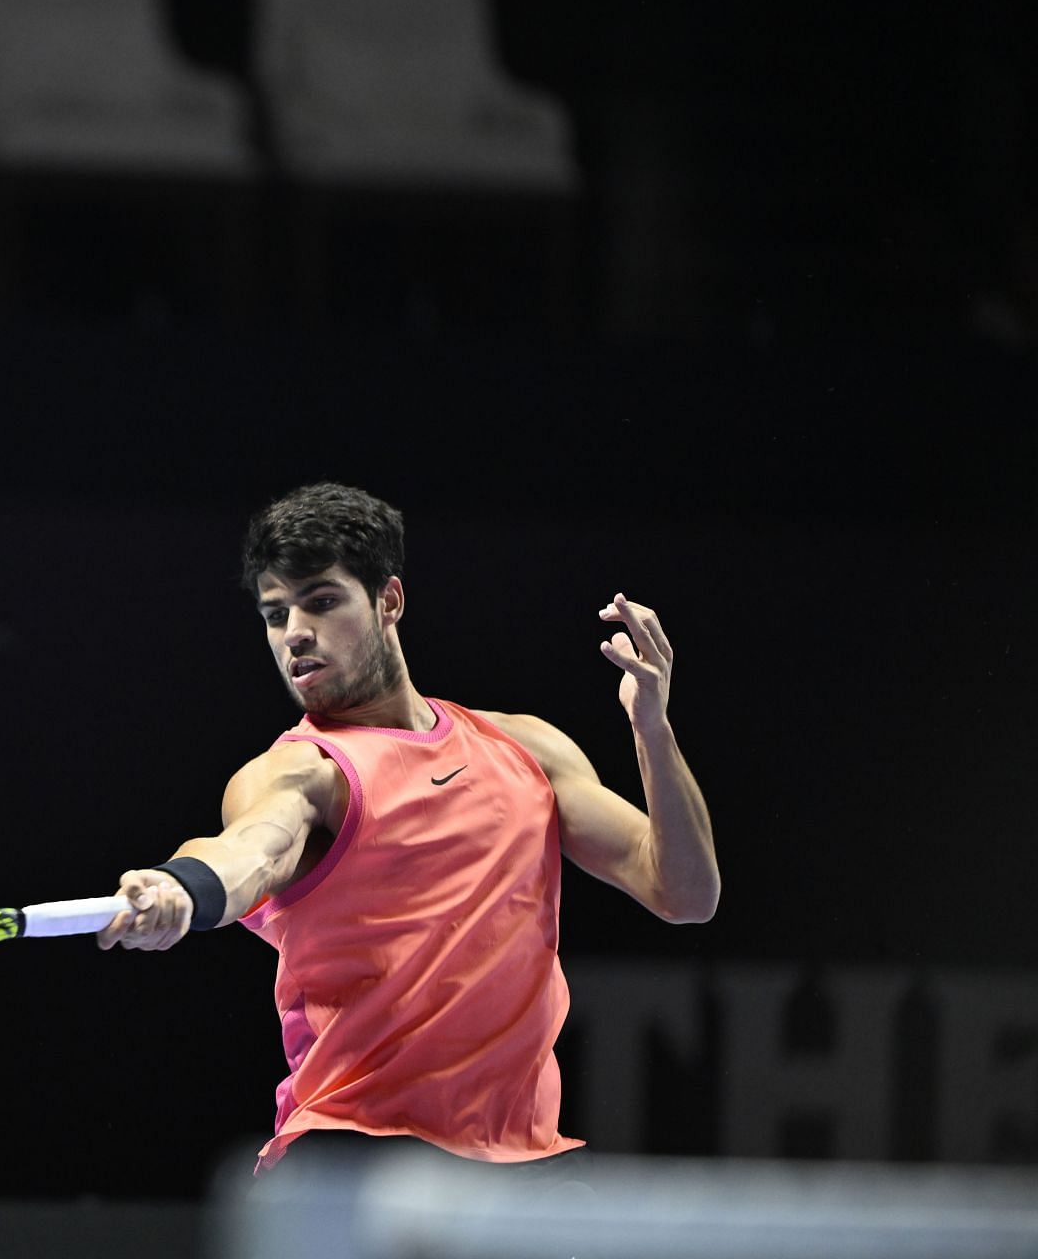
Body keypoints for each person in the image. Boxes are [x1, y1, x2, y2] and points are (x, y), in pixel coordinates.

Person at [96, 482, 720, 1176]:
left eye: (322, 601)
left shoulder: (526, 750)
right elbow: (251, 849)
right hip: (355, 1164)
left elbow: (684, 894)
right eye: (275, 615)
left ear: (389, 600)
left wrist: (652, 732)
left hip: (512, 1171)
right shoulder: (306, 772)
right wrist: (183, 887)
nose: (294, 631)